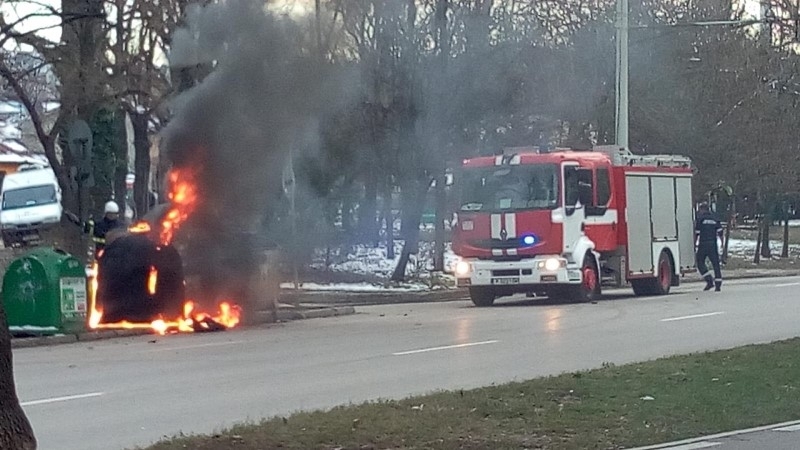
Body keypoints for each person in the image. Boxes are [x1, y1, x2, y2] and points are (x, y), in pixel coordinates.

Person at [695, 202, 723, 292]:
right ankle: (718, 284)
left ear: (703, 209)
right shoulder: (715, 218)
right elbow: (720, 232)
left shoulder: (700, 219)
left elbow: (697, 234)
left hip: (703, 244)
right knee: (716, 264)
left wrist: (694, 243)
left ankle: (709, 280)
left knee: (700, 262)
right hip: (713, 244)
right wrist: (722, 243)